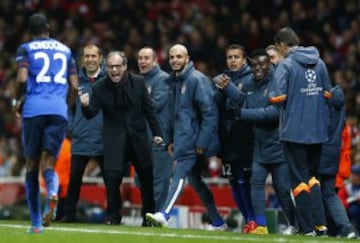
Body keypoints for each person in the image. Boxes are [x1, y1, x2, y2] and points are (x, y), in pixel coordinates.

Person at [215, 49, 297, 234]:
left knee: (283, 190)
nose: (258, 68)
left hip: (277, 144)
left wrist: (243, 114)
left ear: (269, 64)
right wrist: (228, 87)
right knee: (256, 183)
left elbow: (274, 112)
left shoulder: (277, 82)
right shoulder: (251, 83)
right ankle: (261, 226)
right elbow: (244, 100)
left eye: (262, 64)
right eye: (255, 64)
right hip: (259, 146)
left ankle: (296, 224)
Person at [146, 44, 226, 230]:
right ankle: (218, 221)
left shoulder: (196, 80)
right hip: (183, 138)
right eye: (172, 57)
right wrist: (170, 139)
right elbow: (173, 115)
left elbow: (210, 113)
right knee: (196, 182)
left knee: (179, 175)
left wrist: (202, 141)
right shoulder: (173, 81)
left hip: (193, 140)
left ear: (187, 58)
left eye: (179, 57)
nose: (175, 60)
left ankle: (164, 213)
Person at [79, 51, 164, 226]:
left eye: (118, 66)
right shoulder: (99, 87)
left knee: (146, 180)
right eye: (111, 67)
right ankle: (112, 217)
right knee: (112, 179)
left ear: (124, 66)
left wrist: (158, 133)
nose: (114, 70)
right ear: (106, 67)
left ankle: (148, 218)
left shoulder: (139, 83)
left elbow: (149, 110)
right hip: (114, 141)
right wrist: (86, 106)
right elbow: (91, 113)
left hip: (138, 139)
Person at [13, 12, 78, 233]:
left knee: (31, 166)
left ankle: (36, 224)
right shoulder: (66, 50)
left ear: (30, 33)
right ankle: (52, 190)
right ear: (48, 29)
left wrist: (16, 101)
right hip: (58, 110)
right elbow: (76, 86)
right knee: (48, 163)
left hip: (34, 109)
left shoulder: (26, 49)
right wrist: (65, 107)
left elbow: (22, 78)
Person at [268, 27, 331, 235]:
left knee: (299, 181)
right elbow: (328, 94)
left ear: (283, 46)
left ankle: (306, 228)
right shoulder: (320, 63)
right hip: (318, 131)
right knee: (313, 178)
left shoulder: (286, 65)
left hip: (294, 132)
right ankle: (320, 225)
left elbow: (276, 99)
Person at [60, 44, 107, 223]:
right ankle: (68, 215)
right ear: (82, 59)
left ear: (100, 58)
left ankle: (113, 216)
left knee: (111, 181)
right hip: (80, 138)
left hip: (103, 139)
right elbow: (67, 108)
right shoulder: (74, 82)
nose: (90, 59)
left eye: (93, 56)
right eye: (87, 56)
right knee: (74, 180)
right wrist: (73, 128)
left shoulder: (108, 80)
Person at [213, 44, 256, 233]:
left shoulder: (251, 78)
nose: (232, 60)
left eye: (236, 57)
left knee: (244, 181)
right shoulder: (223, 79)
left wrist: (228, 88)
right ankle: (249, 221)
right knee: (233, 182)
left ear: (244, 59)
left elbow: (247, 103)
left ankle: (253, 220)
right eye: (229, 57)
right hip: (227, 140)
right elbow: (216, 106)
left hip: (245, 139)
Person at [318, 85, 357, 238]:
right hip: (337, 166)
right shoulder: (343, 120)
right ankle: (344, 229)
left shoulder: (325, 115)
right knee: (329, 198)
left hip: (329, 164)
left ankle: (331, 230)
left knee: (324, 198)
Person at [137, 47, 172, 211]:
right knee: (140, 179)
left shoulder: (163, 79)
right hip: (142, 139)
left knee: (159, 180)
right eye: (140, 58)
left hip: (159, 139)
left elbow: (155, 105)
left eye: (146, 58)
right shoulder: (138, 80)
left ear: (155, 60)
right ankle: (149, 212)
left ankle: (156, 216)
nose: (143, 62)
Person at [338, 164, 360, 234]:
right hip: (350, 209)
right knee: (349, 209)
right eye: (352, 174)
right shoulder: (347, 185)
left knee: (355, 209)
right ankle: (345, 232)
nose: (353, 177)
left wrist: (355, 200)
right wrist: (349, 201)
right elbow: (339, 201)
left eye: (356, 175)